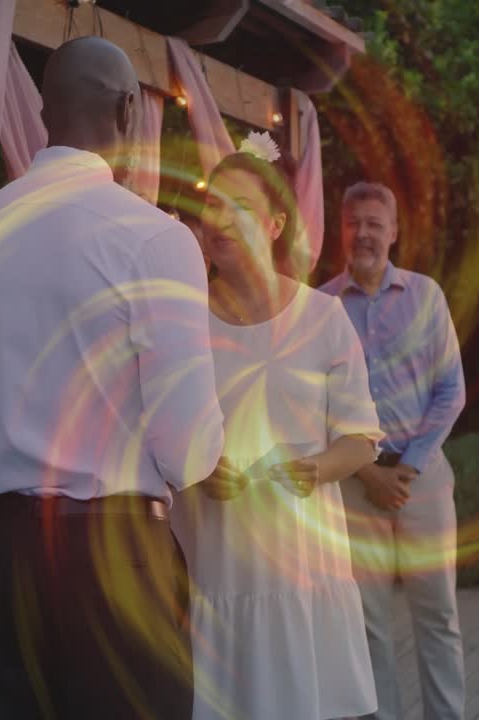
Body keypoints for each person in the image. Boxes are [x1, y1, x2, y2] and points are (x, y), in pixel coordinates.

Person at [0, 37, 224, 719]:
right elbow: (189, 453)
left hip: (6, 557)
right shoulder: (155, 238)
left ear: (43, 113)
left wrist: (20, 446)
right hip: (117, 555)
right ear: (129, 110)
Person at [171, 137, 383, 720]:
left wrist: (314, 468)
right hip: (215, 561)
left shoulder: (324, 317)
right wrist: (198, 465)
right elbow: (156, 429)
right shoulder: (181, 321)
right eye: (212, 205)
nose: (220, 221)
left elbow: (361, 439)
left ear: (275, 224)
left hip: (302, 561)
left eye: (239, 207)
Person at [319, 182, 467, 720]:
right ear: (341, 230)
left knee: (439, 616)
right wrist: (369, 472)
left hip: (422, 481)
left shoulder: (426, 297)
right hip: (356, 488)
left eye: (375, 224)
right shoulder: (322, 308)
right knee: (370, 625)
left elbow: (451, 390)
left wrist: (408, 466)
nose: (364, 234)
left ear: (394, 232)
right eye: (354, 223)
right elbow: (316, 404)